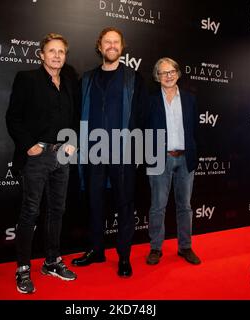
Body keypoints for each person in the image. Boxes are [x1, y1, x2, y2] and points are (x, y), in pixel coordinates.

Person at [71, 27, 147, 277]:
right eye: (107, 42)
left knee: (124, 205)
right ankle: (96, 250)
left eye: (116, 42)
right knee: (94, 203)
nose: (111, 46)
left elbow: (141, 118)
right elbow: (76, 115)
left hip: (123, 153)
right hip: (93, 151)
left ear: (122, 47)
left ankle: (124, 257)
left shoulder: (134, 78)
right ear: (99, 46)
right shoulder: (87, 79)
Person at [6, 33, 78, 294]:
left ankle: (52, 261)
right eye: (51, 51)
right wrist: (29, 145)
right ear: (41, 54)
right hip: (37, 156)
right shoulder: (27, 79)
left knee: (57, 210)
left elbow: (74, 116)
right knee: (31, 212)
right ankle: (23, 269)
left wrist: (73, 141)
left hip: (62, 155)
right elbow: (13, 118)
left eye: (61, 51)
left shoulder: (69, 82)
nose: (57, 55)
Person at [145, 57, 201, 266]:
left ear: (177, 73)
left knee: (185, 206)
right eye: (163, 73)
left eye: (171, 72)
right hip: (159, 159)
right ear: (157, 77)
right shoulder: (150, 100)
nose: (168, 76)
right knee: (157, 206)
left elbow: (195, 129)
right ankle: (155, 248)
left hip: (185, 159)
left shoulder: (190, 99)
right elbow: (143, 130)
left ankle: (185, 247)